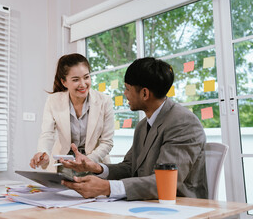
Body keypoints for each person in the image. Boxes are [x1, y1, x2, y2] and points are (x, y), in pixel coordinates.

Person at [60, 57, 208, 200]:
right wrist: (96, 168)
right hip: (147, 203)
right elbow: (130, 168)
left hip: (181, 206)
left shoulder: (184, 123)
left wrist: (108, 187)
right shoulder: (143, 126)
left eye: (127, 89)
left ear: (144, 93)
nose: (125, 94)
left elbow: (166, 181)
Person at [29, 53, 114, 171]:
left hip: (95, 162)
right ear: (64, 82)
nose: (83, 84)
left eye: (86, 77)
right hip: (64, 164)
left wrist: (87, 161)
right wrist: (43, 153)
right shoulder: (53, 101)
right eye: (75, 80)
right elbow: (47, 134)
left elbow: (107, 142)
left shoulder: (105, 101)